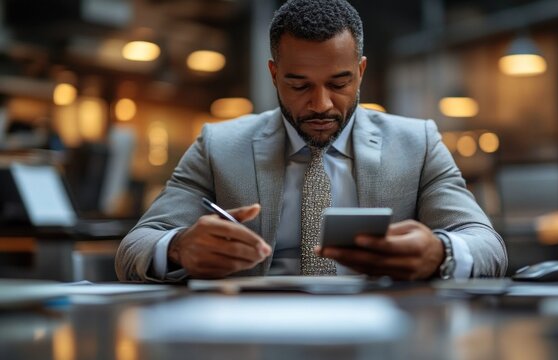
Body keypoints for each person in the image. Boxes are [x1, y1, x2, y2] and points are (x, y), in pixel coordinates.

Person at [115, 0, 507, 282]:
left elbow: (487, 245)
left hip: (383, 329)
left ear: (361, 71)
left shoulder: (417, 143)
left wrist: (440, 253)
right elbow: (135, 247)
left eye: (339, 83)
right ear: (273, 74)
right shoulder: (220, 145)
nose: (320, 104)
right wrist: (180, 246)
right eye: (298, 84)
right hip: (254, 334)